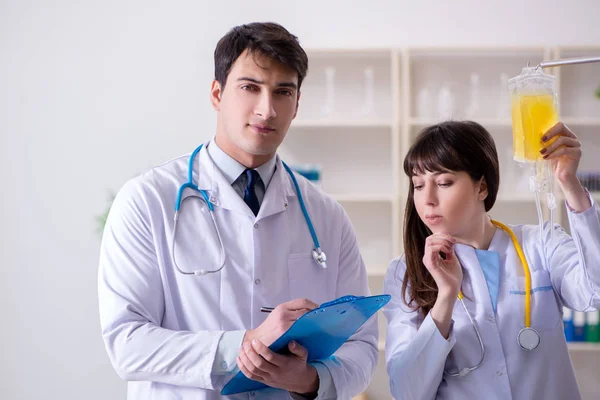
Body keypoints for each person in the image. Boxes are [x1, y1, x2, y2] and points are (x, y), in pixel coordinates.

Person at [98, 22, 378, 400]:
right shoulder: (147, 201)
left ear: (296, 105)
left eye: (283, 92)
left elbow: (362, 347)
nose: (267, 109)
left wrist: (308, 381)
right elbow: (127, 342)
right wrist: (245, 347)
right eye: (250, 88)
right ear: (217, 94)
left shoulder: (327, 217)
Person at [383, 120, 599, 399]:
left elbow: (594, 292)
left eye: (443, 182)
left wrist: (570, 186)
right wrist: (445, 297)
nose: (428, 199)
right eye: (418, 185)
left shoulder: (541, 245)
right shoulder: (406, 273)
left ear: (482, 187)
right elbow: (407, 391)